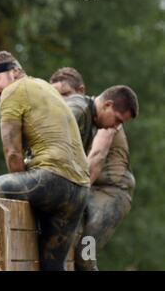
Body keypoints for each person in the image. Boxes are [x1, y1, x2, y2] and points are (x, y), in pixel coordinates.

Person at [0, 51, 90, 271]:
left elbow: (12, 152)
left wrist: (24, 189)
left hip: (51, 178)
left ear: (15, 72)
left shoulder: (14, 91)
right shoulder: (45, 87)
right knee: (53, 266)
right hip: (80, 189)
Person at [50, 67, 139, 270]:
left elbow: (96, 158)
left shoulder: (108, 122)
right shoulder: (77, 116)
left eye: (66, 95)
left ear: (80, 93)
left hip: (112, 193)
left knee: (85, 253)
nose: (63, 101)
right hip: (89, 187)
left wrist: (73, 194)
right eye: (57, 95)